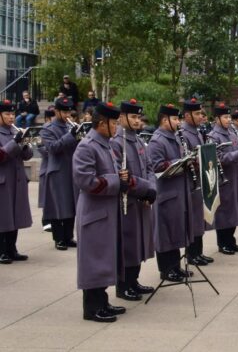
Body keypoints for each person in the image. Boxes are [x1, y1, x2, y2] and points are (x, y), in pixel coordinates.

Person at [72, 102, 127, 323]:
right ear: (102, 123)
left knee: (105, 259)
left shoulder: (106, 144)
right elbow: (85, 181)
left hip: (106, 211)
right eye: (114, 123)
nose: (116, 127)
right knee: (94, 261)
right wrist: (116, 181)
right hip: (94, 214)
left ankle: (102, 301)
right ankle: (92, 308)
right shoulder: (87, 146)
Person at [109, 99, 157, 301]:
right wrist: (145, 189)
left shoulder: (137, 140)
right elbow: (122, 174)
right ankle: (123, 285)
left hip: (141, 199)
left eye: (139, 117)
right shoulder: (117, 142)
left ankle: (134, 280)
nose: (138, 121)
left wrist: (152, 188)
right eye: (134, 117)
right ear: (121, 118)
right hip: (126, 201)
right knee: (127, 244)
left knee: (138, 243)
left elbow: (150, 168)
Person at [148, 104, 193, 283]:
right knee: (165, 233)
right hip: (165, 194)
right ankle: (166, 269)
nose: (178, 122)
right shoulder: (157, 140)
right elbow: (156, 166)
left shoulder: (174, 137)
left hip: (178, 191)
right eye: (175, 119)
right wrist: (180, 161)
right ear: (165, 120)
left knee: (175, 231)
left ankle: (175, 266)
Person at [208, 103, 238, 255]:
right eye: (225, 117)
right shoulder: (213, 136)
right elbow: (218, 158)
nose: (228, 120)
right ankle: (223, 243)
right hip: (223, 178)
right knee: (224, 212)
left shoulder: (232, 134)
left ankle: (231, 241)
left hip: (236, 176)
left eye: (229, 117)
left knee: (234, 210)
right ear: (217, 119)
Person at [41, 97, 79, 250]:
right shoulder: (48, 129)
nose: (67, 114)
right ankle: (58, 238)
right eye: (64, 111)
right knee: (58, 205)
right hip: (57, 170)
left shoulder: (70, 126)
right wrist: (71, 135)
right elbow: (52, 148)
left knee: (71, 203)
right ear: (56, 111)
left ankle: (68, 236)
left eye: (68, 111)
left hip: (72, 168)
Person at [0, 99, 34, 264]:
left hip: (18, 179)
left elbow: (27, 156)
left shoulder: (14, 131)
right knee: (3, 216)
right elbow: (1, 156)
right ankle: (2, 251)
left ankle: (12, 248)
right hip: (3, 180)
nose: (11, 117)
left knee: (15, 215)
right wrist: (15, 142)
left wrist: (26, 143)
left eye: (12, 114)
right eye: (7, 113)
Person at [180, 99, 212, 266]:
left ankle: (198, 252)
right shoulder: (184, 133)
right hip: (190, 182)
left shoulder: (197, 131)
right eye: (197, 113)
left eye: (201, 113)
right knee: (193, 219)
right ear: (187, 115)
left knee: (200, 218)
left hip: (200, 180)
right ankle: (191, 254)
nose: (201, 116)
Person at [38, 107, 55, 232]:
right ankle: (45, 220)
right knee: (46, 197)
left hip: (56, 167)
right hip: (47, 167)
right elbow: (43, 150)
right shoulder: (44, 131)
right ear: (48, 118)